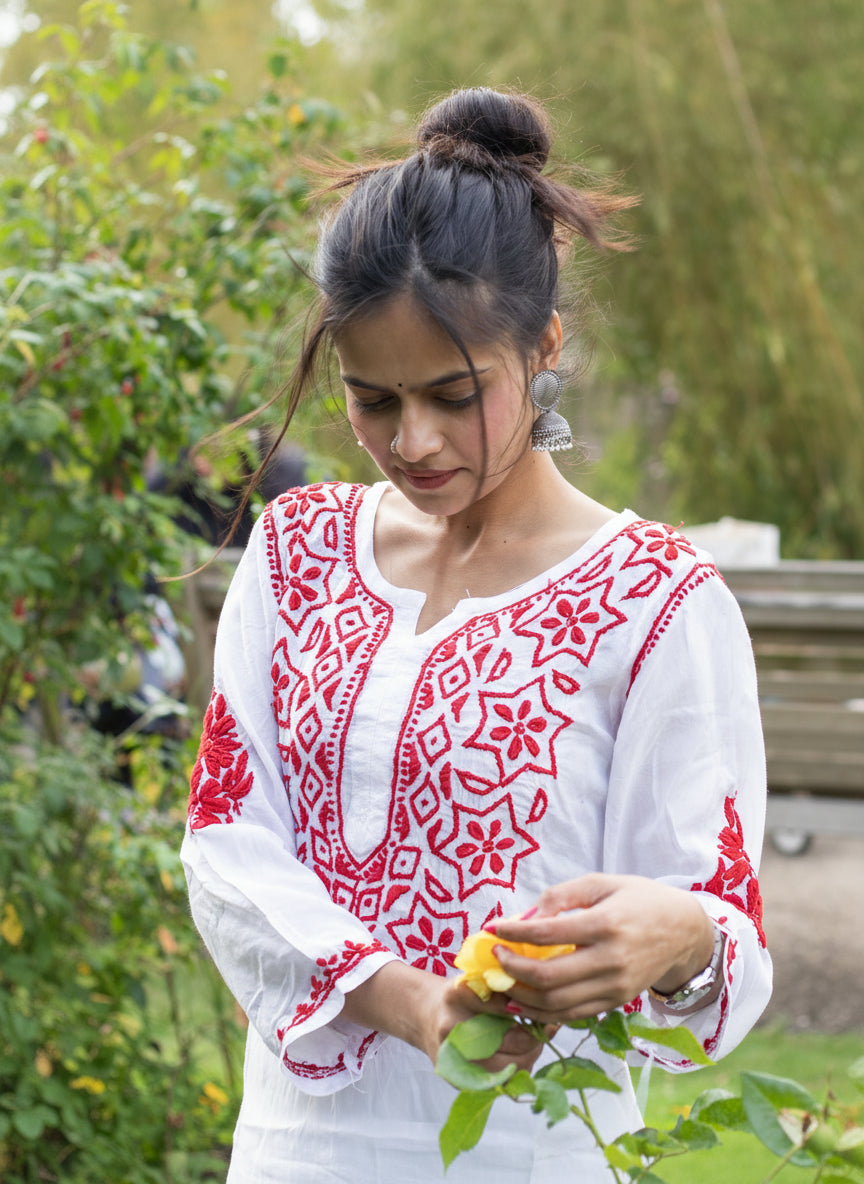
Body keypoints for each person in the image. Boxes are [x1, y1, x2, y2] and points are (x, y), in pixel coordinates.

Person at [181, 87, 772, 1183]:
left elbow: (723, 949)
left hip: (530, 1153)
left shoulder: (651, 600)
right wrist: (413, 1003)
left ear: (543, 345)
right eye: (372, 400)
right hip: (294, 1151)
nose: (413, 440)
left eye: (456, 394)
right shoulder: (298, 551)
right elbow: (226, 843)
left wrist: (680, 932)